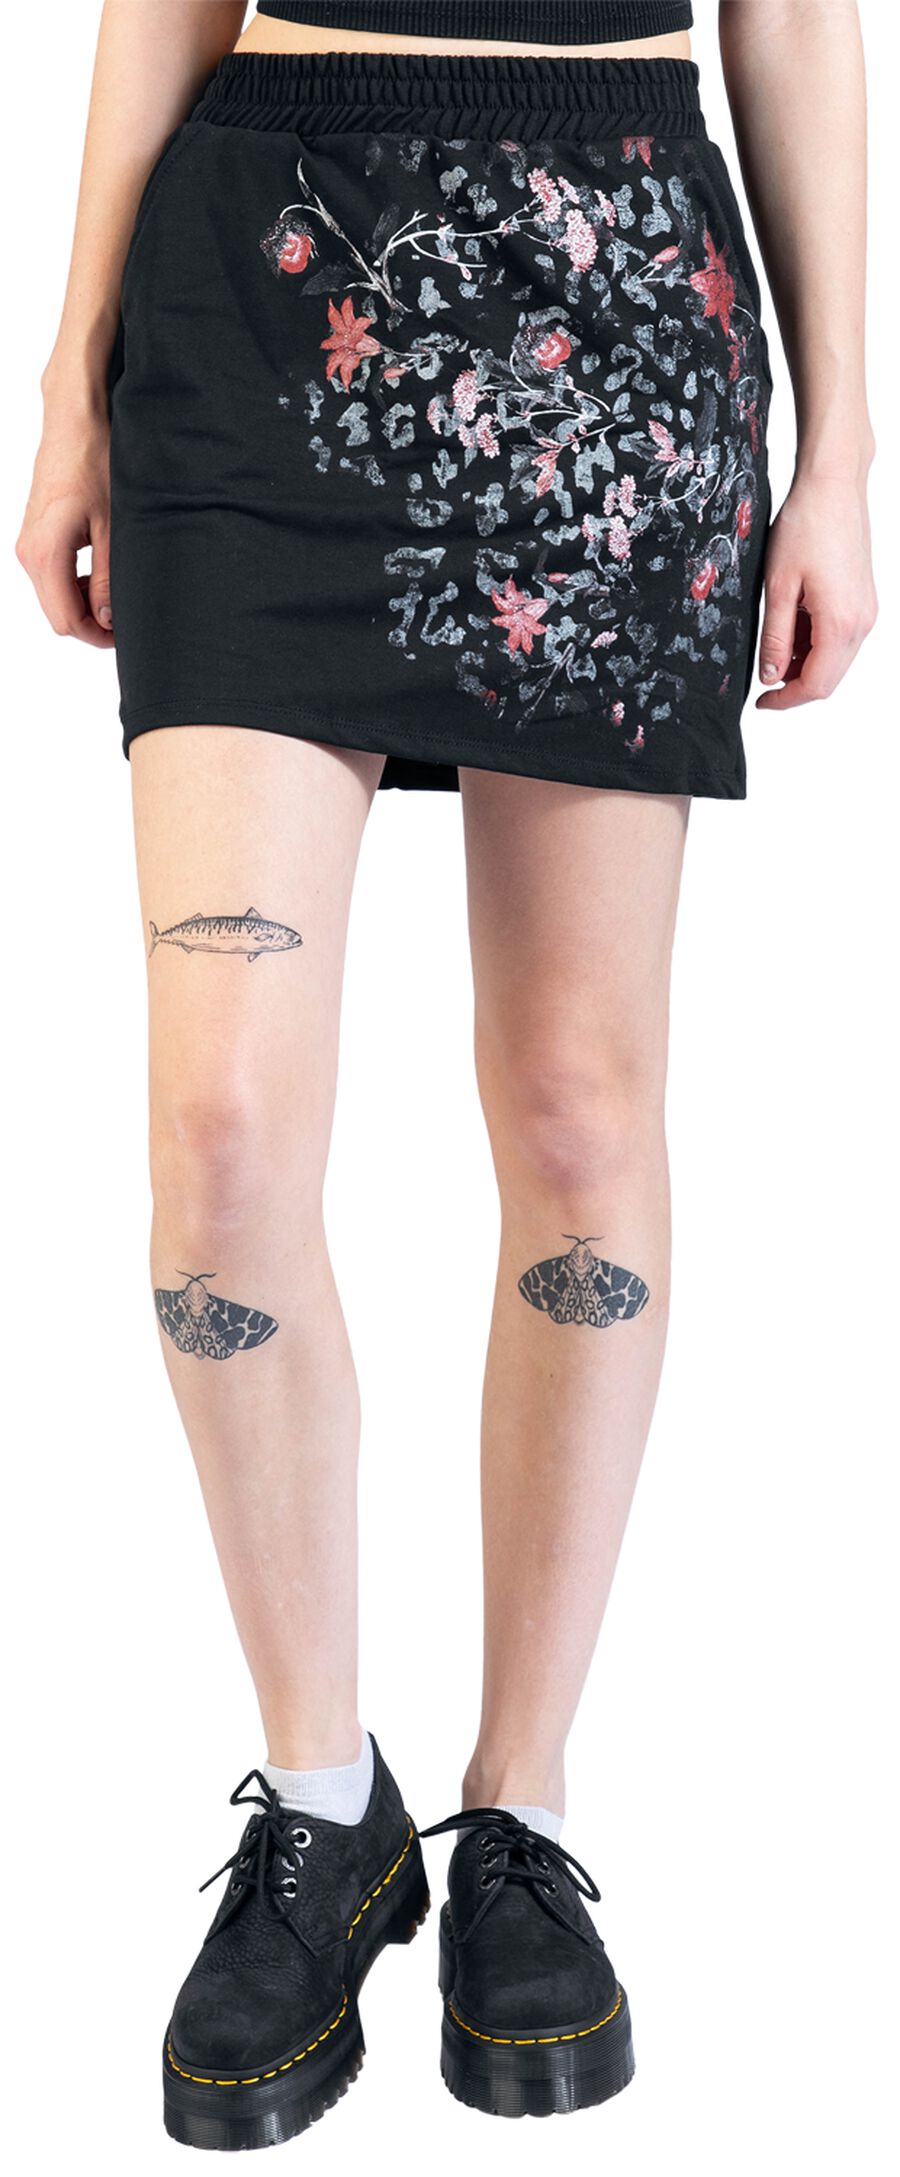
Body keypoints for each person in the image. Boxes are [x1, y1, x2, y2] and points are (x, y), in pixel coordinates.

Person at [16, 0, 876, 2148]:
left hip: (617, 292)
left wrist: (844, 448)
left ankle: (521, 1808)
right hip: (260, 302)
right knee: (220, 1136)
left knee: (580, 1112)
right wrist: (68, 377)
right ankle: (326, 1806)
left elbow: (793, 17)